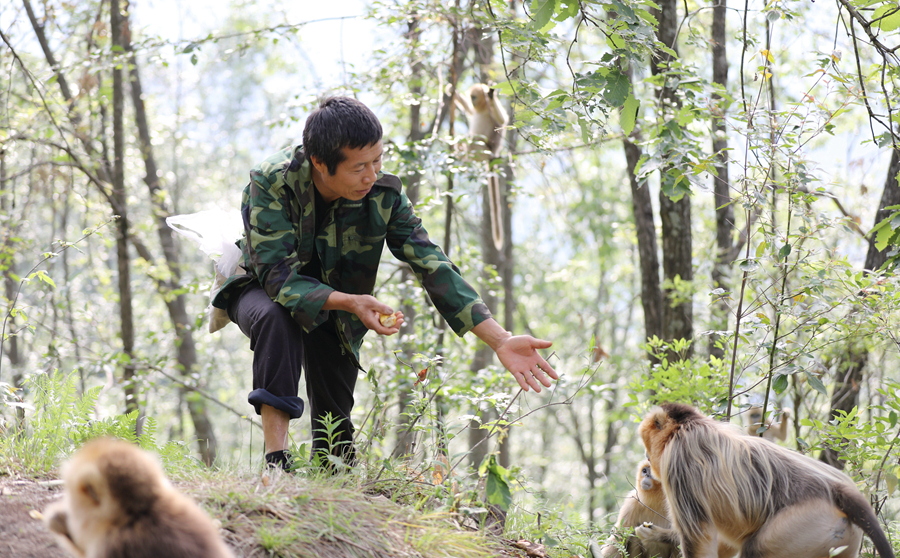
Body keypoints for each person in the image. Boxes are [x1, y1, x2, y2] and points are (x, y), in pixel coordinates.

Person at [212, 96, 557, 470]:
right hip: (260, 290)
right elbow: (279, 280)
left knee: (335, 452)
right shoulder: (272, 181)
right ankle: (276, 466)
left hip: (339, 312)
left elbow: (432, 264)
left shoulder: (383, 195)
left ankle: (330, 486)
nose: (371, 175)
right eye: (359, 167)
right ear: (319, 162)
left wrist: (500, 338)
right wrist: (352, 302)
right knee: (277, 320)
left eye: (378, 160)